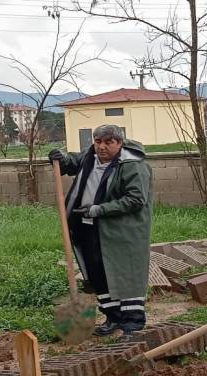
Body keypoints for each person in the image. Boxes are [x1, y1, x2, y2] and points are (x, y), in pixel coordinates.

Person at [49, 125, 154, 338]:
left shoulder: (132, 165)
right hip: (89, 227)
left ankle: (132, 325)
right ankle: (112, 317)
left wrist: (99, 209)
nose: (102, 147)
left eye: (108, 143)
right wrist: (60, 158)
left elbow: (136, 200)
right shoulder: (91, 157)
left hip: (123, 232)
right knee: (99, 275)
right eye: (98, 142)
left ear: (119, 143)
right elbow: (71, 164)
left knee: (126, 275)